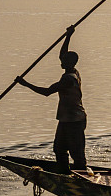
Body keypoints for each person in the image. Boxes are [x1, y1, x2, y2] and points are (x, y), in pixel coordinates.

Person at [15, 26, 87, 173]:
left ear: (70, 63)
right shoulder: (72, 70)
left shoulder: (69, 79)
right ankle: (64, 172)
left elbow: (47, 92)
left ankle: (82, 174)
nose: (61, 61)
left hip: (75, 120)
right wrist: (68, 35)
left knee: (76, 153)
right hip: (66, 119)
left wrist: (25, 84)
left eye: (64, 60)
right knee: (59, 148)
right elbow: (62, 54)